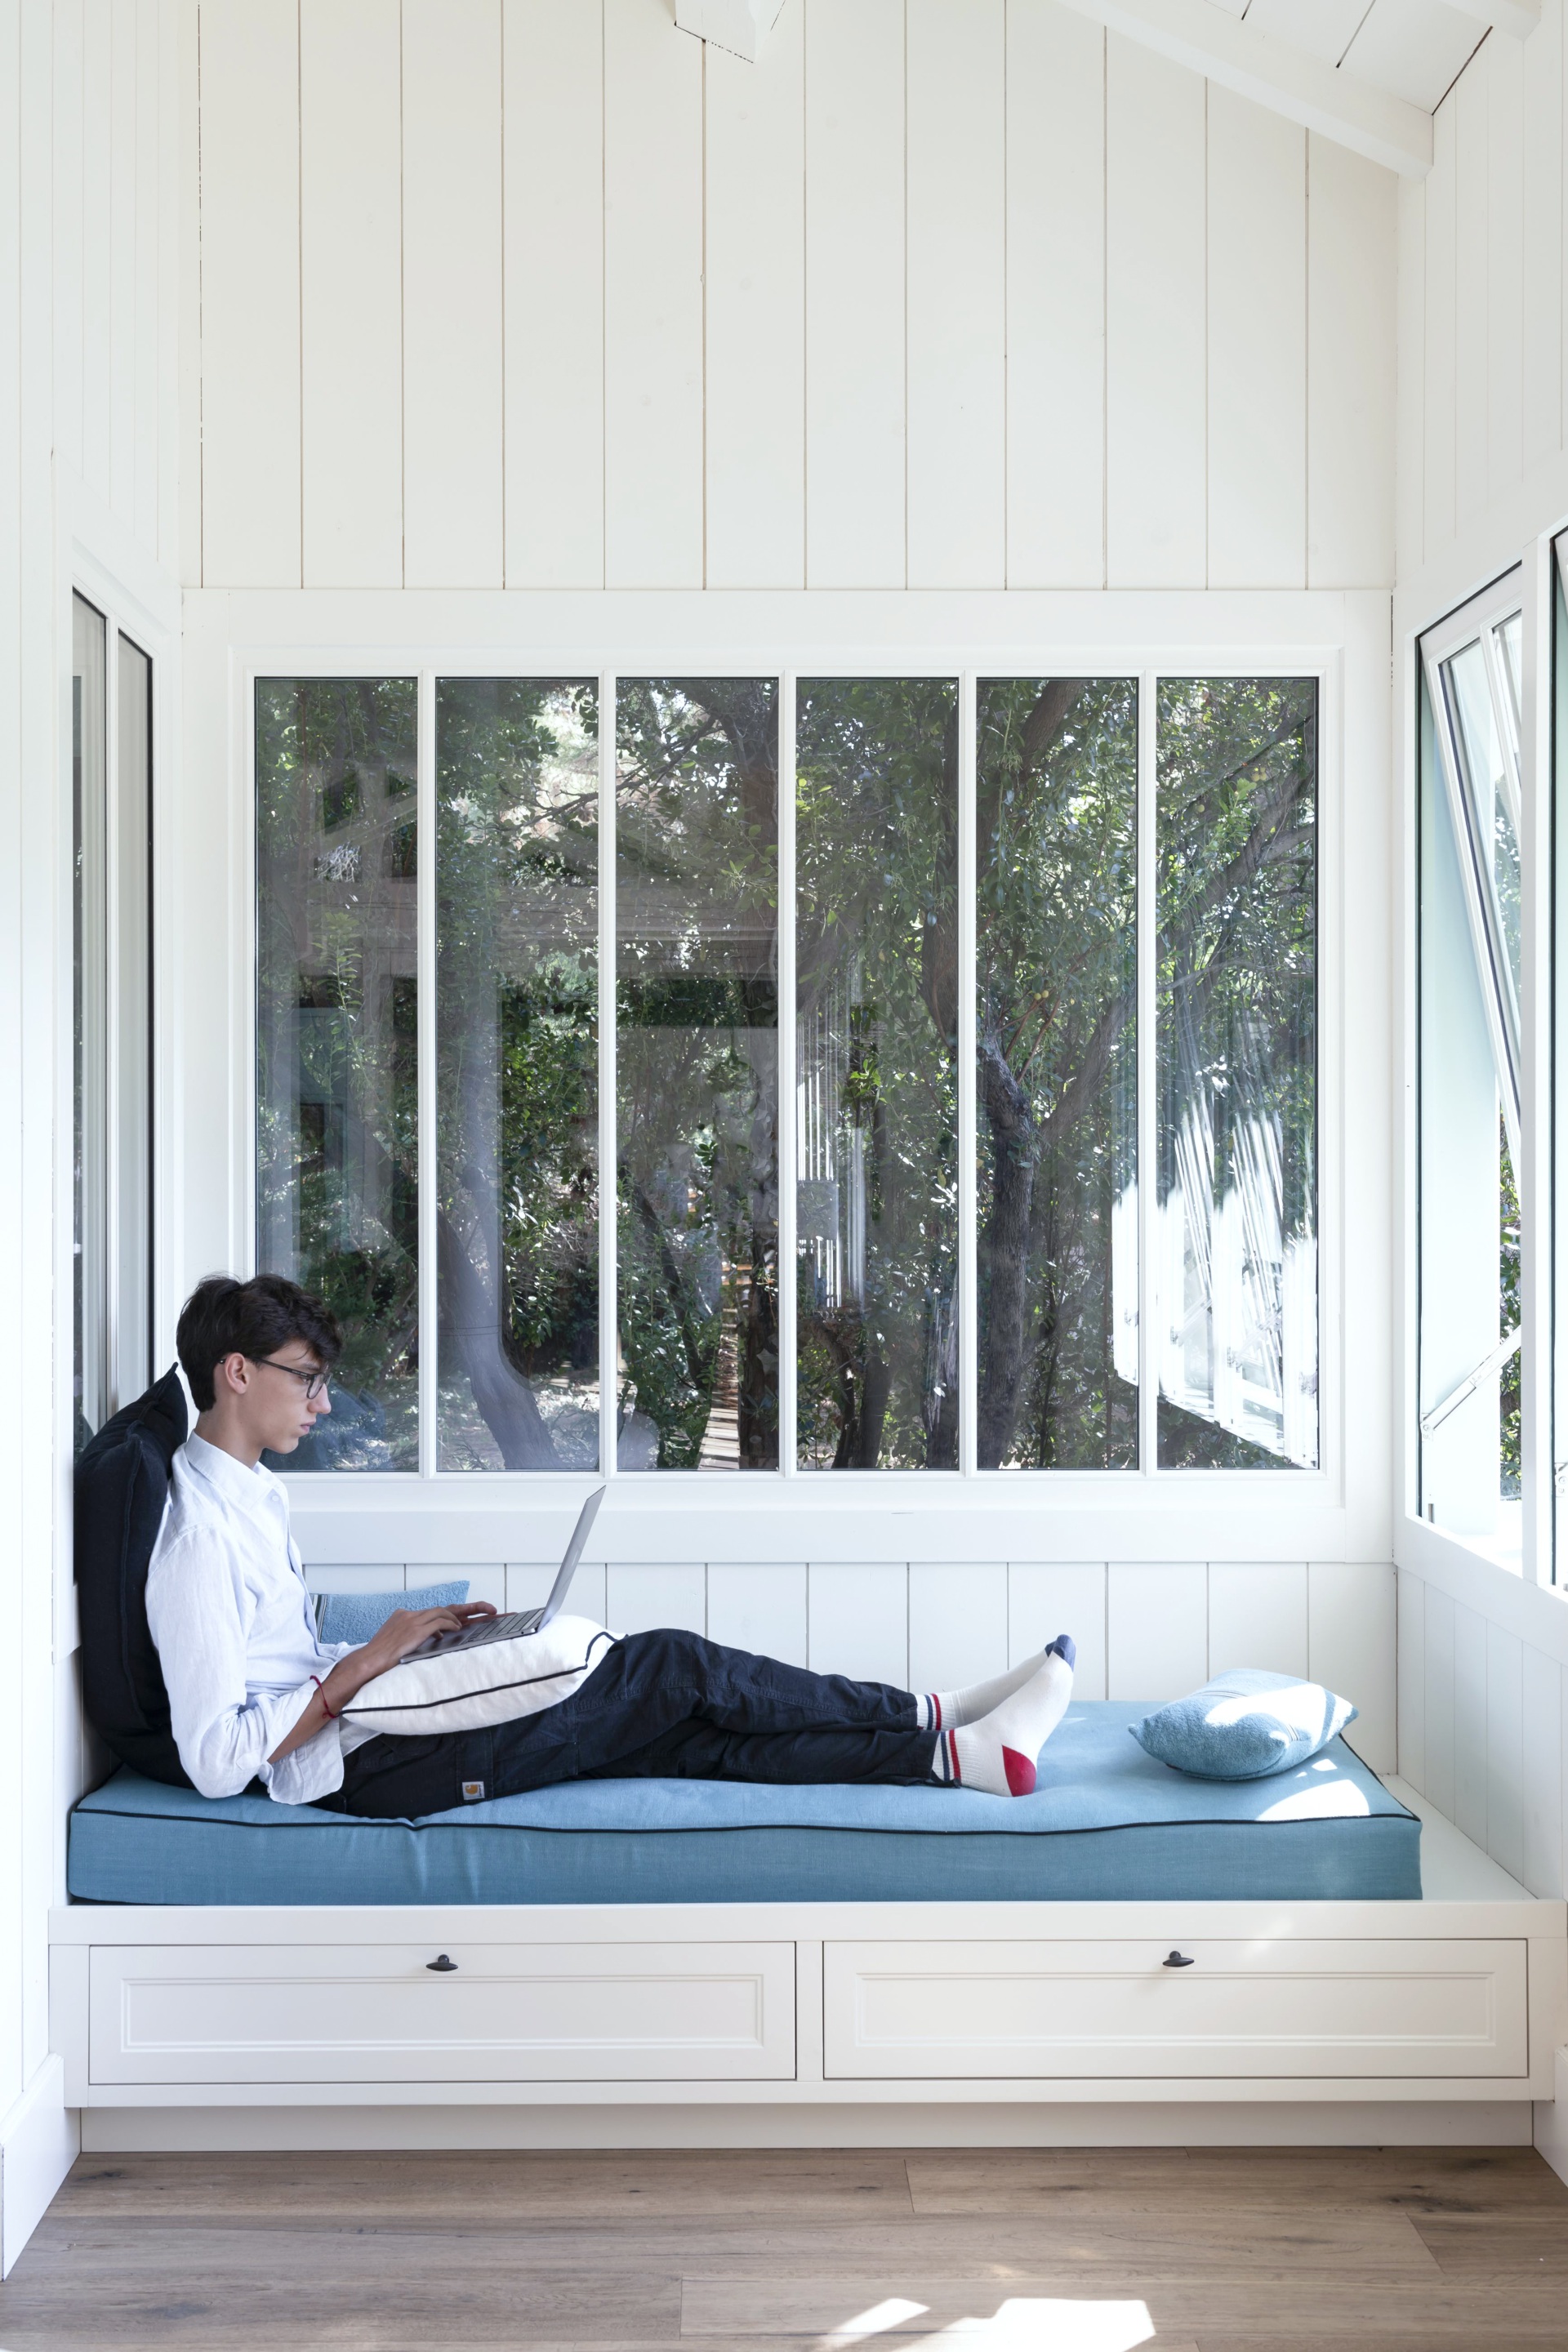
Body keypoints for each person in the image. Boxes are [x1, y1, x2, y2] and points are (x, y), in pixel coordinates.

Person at [147, 1274, 1077, 1818]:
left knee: (683, 1734)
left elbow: (281, 1657)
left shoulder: (253, 1495)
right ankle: (929, 1716)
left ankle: (954, 1750)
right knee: (671, 1671)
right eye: (305, 1380)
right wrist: (366, 1667)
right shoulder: (193, 1536)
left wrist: (404, 1650)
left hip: (378, 1712)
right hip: (369, 1764)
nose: (318, 1403)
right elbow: (221, 1762)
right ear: (236, 1373)